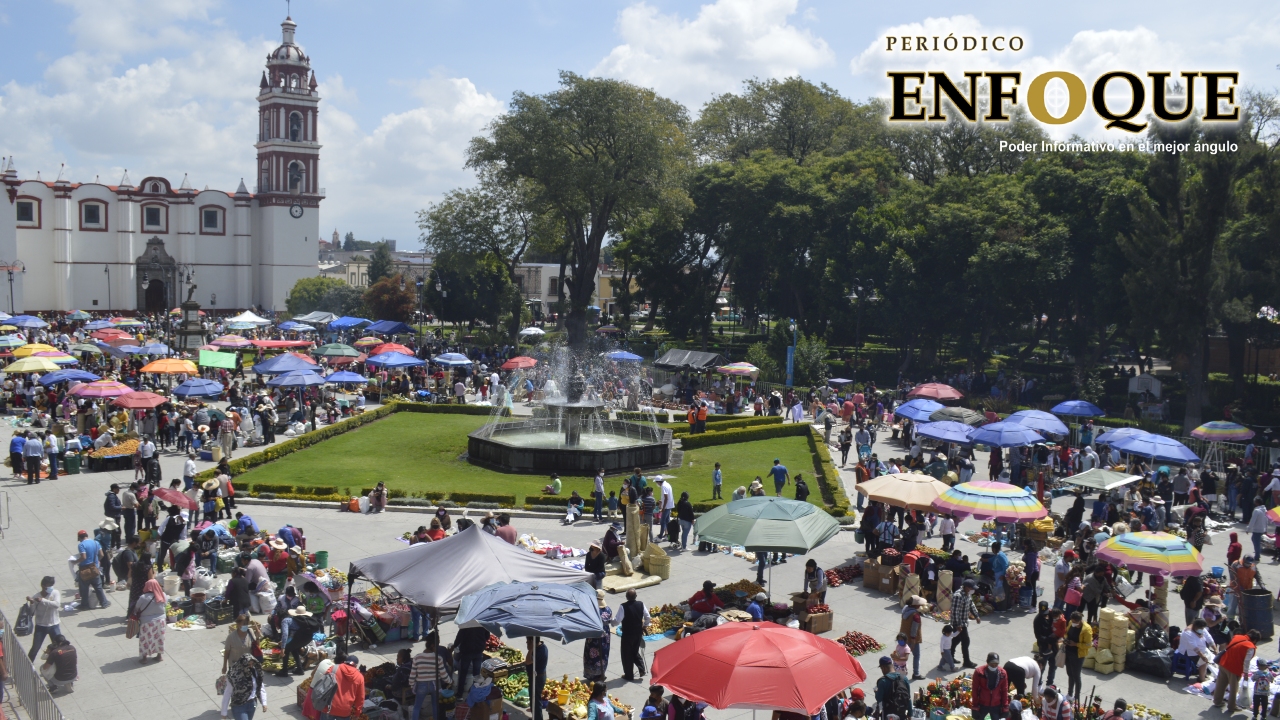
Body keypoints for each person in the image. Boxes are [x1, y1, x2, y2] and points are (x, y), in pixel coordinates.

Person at [1214, 628, 1258, 713]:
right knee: (1234, 689)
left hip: (1224, 663)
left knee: (1220, 684)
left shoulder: (1237, 637)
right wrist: (1245, 674)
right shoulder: (1250, 647)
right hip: (1234, 669)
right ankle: (1232, 706)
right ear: (1255, 640)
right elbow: (1246, 662)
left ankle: (1217, 701)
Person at [221, 652, 268, 719]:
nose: (251, 666)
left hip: (252, 704)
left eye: (252, 664)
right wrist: (224, 712)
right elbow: (228, 693)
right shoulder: (234, 676)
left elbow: (260, 687)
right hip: (239, 706)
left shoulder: (254, 672)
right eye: (248, 664)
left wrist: (264, 703)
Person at [410, 636, 447, 720]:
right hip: (435, 685)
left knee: (417, 707)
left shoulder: (417, 657)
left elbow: (412, 675)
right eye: (437, 645)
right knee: (435, 705)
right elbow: (443, 674)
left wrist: (412, 685)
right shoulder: (438, 658)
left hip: (421, 686)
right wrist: (450, 681)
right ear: (432, 645)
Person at [26, 576, 61, 661]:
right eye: (49, 586)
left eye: (52, 585)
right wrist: (32, 603)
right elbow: (32, 612)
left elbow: (57, 605)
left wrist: (43, 600)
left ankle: (59, 664)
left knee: (59, 647)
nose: (50, 588)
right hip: (41, 626)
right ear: (43, 586)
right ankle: (29, 663)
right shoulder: (36, 596)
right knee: (35, 647)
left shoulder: (55, 593)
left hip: (54, 625)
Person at [617, 589, 650, 681]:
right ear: (636, 596)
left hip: (627, 634)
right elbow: (647, 617)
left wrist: (611, 622)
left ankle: (629, 675)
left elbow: (617, 620)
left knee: (626, 654)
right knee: (635, 651)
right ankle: (641, 669)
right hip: (638, 633)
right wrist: (644, 626)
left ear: (626, 597)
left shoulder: (623, 606)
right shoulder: (641, 604)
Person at [75, 529, 111, 610]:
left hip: (84, 569)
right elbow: (101, 554)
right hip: (94, 568)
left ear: (80, 538)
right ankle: (104, 603)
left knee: (84, 588)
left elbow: (83, 557)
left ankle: (84, 605)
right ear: (87, 536)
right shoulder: (95, 542)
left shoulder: (81, 545)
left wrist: (75, 561)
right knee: (98, 587)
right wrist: (97, 561)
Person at [279, 607, 320, 676]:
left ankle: (284, 671)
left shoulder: (287, 620)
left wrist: (283, 647)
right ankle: (300, 669)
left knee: (286, 650)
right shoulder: (307, 621)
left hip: (298, 639)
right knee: (294, 648)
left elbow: (285, 634)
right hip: (307, 639)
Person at [134, 578, 167, 663]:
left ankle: (144, 658)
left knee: (145, 639)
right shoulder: (162, 594)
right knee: (159, 638)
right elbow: (165, 605)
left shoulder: (143, 597)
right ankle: (159, 656)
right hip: (161, 621)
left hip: (146, 622)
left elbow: (137, 608)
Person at [949, 579, 980, 668]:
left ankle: (949, 656)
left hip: (964, 621)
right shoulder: (958, 596)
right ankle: (966, 661)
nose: (972, 590)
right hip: (958, 622)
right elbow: (955, 611)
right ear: (966, 587)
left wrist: (976, 615)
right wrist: (958, 625)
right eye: (971, 588)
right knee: (966, 641)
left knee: (956, 639)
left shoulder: (968, 594)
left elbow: (971, 605)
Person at [583, 590, 613, 682]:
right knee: (603, 653)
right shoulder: (608, 610)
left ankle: (592, 675)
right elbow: (610, 621)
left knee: (591, 654)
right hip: (605, 635)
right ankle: (601, 673)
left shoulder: (593, 610)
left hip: (594, 635)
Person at [971, 652, 1009, 720]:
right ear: (987, 662)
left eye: (996, 664)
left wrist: (1005, 706)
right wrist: (975, 705)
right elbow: (975, 689)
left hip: (996, 704)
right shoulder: (979, 672)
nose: (994, 666)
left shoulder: (1002, 674)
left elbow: (1004, 690)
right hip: (982, 703)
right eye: (992, 664)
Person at [1063, 611, 1092, 701]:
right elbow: (1066, 633)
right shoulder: (1071, 623)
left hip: (1078, 655)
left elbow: (1088, 644)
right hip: (1068, 652)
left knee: (1076, 676)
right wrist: (1066, 639)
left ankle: (1077, 697)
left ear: (1079, 621)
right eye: (1072, 621)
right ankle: (1070, 693)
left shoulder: (1086, 629)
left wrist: (1076, 644)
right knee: (1070, 674)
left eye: (1075, 622)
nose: (1073, 623)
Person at [328, 655, 367, 720]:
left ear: (345, 662)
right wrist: (357, 713)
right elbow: (361, 697)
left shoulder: (334, 668)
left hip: (328, 706)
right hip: (344, 710)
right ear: (356, 665)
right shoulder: (360, 677)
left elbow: (322, 682)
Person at [1178, 618, 1217, 684]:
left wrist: (1215, 649)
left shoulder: (1201, 629)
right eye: (1201, 628)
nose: (1202, 630)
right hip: (1189, 651)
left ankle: (1203, 674)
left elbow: (1209, 638)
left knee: (1210, 656)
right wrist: (1202, 656)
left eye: (1203, 628)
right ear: (1195, 626)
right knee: (1204, 659)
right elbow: (1194, 647)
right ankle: (1202, 678)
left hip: (1201, 649)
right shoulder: (1188, 632)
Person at [873, 656, 912, 720]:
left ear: (883, 668)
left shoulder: (882, 681)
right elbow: (908, 698)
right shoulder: (904, 678)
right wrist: (910, 714)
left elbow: (878, 699)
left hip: (888, 714)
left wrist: (876, 692)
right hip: (901, 713)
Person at [900, 595, 926, 680]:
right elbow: (914, 630)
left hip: (902, 637)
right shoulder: (915, 615)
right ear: (915, 605)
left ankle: (900, 673)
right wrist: (913, 641)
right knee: (916, 655)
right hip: (911, 639)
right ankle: (916, 673)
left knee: (901, 655)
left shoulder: (905, 609)